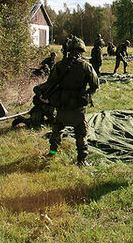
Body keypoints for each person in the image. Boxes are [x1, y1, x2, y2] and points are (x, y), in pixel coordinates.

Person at [41, 36, 99, 166]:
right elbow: (95, 84)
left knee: (57, 130)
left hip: (62, 103)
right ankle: (81, 160)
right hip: (78, 105)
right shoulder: (86, 66)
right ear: (82, 51)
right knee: (81, 133)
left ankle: (52, 153)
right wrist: (87, 95)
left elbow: (50, 83)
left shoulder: (59, 65)